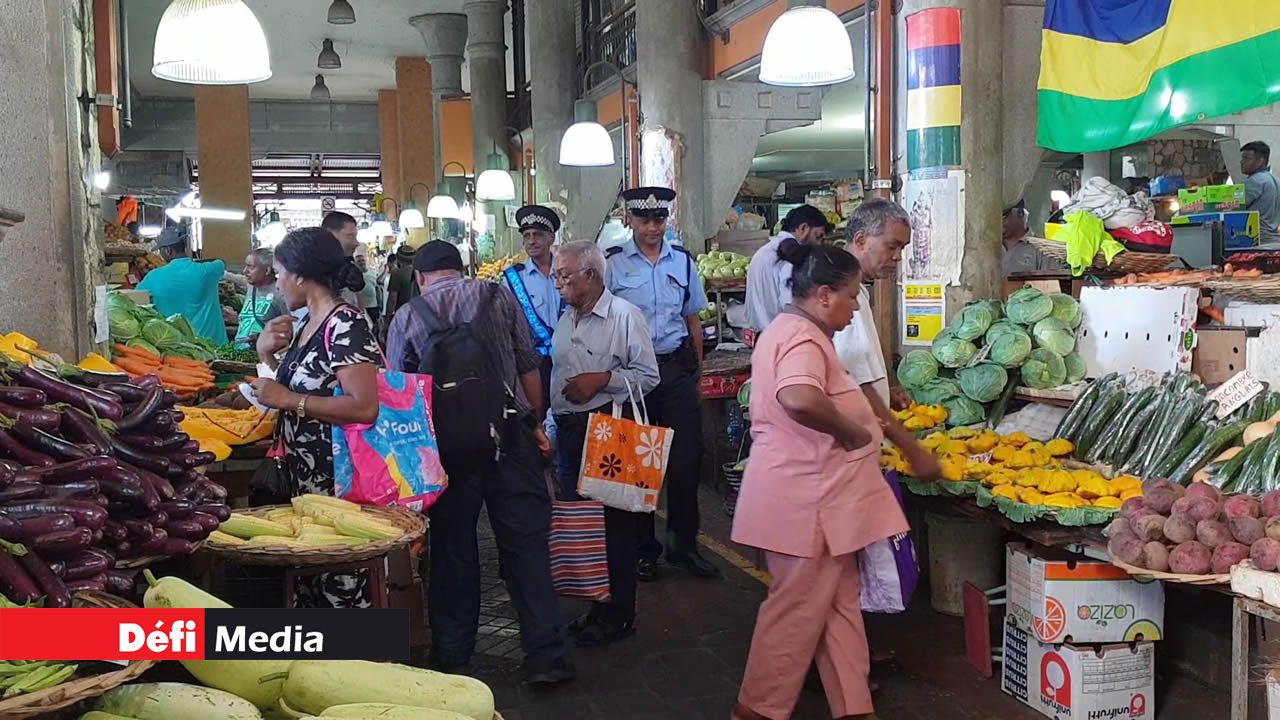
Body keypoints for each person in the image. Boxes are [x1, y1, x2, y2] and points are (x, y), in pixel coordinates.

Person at [385, 240, 574, 686]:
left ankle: (454, 657)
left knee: (452, 552)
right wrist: (536, 423)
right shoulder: (497, 295)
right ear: (462, 268)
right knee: (527, 549)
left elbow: (399, 396)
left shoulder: (408, 316)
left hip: (446, 454)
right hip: (509, 441)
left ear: (421, 277)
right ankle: (547, 657)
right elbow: (529, 365)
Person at [731, 240, 904, 720]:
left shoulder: (792, 331)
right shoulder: (803, 339)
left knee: (836, 607)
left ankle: (854, 708)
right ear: (825, 294)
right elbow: (799, 398)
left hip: (818, 504)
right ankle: (757, 711)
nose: (856, 307)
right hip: (805, 505)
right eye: (853, 295)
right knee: (795, 616)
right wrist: (852, 434)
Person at [250, 227, 381, 607]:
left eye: (278, 273)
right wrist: (267, 356)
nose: (277, 284)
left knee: (338, 584)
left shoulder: (346, 324)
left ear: (301, 275)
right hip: (306, 481)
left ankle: (354, 663)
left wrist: (289, 399)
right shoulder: (309, 324)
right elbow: (298, 388)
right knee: (311, 582)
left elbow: (363, 406)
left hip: (336, 483)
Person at [549, 241, 659, 646]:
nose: (557, 282)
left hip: (610, 431)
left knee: (618, 527)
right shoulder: (566, 318)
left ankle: (621, 613)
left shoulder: (624, 316)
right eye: (557, 275)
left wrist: (602, 380)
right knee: (587, 526)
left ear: (591, 276)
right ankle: (597, 603)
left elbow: (649, 376)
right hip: (571, 431)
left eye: (565, 275)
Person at [606, 186, 719, 580]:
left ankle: (683, 547)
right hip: (633, 375)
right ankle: (643, 550)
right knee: (638, 465)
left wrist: (696, 371)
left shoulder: (683, 263)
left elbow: (693, 320)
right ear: (629, 220)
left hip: (674, 371)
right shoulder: (613, 265)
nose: (652, 227)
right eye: (644, 220)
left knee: (686, 461)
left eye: (659, 219)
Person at [746, 204, 833, 333]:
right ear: (803, 228)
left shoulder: (763, 252)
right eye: (817, 237)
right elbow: (791, 306)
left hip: (760, 336)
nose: (819, 244)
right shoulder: (791, 255)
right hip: (781, 336)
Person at [138, 223, 229, 344]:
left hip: (178, 347)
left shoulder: (153, 277)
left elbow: (136, 298)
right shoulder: (206, 271)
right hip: (215, 345)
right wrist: (197, 262)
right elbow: (221, 262)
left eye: (161, 250)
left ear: (168, 250)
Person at [506, 205, 563, 393]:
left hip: (571, 359)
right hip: (532, 364)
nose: (531, 241)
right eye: (527, 236)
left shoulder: (568, 270)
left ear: (551, 238)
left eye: (537, 235)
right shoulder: (513, 279)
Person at [232, 248, 286, 349]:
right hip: (239, 354)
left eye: (250, 267)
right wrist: (236, 319)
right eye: (245, 266)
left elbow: (293, 330)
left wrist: (264, 338)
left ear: (267, 270)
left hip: (264, 358)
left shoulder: (281, 293)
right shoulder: (251, 288)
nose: (245, 271)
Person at [1001, 199, 1064, 277]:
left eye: (1003, 216)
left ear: (1020, 213)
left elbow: (1052, 285)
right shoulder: (987, 248)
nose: (997, 221)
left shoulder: (1042, 250)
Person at [321, 211, 366, 308]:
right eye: (350, 236)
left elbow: (360, 309)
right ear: (330, 236)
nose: (356, 243)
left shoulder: (350, 271)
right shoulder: (313, 277)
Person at [1241, 141, 1280, 245]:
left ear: (1260, 161)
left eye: (1246, 158)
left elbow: (1235, 207)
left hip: (1257, 241)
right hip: (1274, 241)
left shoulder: (1255, 181)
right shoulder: (1276, 180)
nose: (1241, 162)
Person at [383, 244, 420, 333]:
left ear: (398, 259)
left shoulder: (397, 274)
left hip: (403, 315)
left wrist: (387, 323)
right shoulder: (420, 271)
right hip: (420, 314)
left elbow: (392, 299)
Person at [354, 250, 382, 329]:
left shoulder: (372, 273)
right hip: (361, 309)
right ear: (355, 263)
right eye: (358, 261)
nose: (361, 262)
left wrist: (379, 305)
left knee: (376, 329)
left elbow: (377, 289)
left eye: (362, 260)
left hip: (373, 307)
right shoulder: (354, 276)